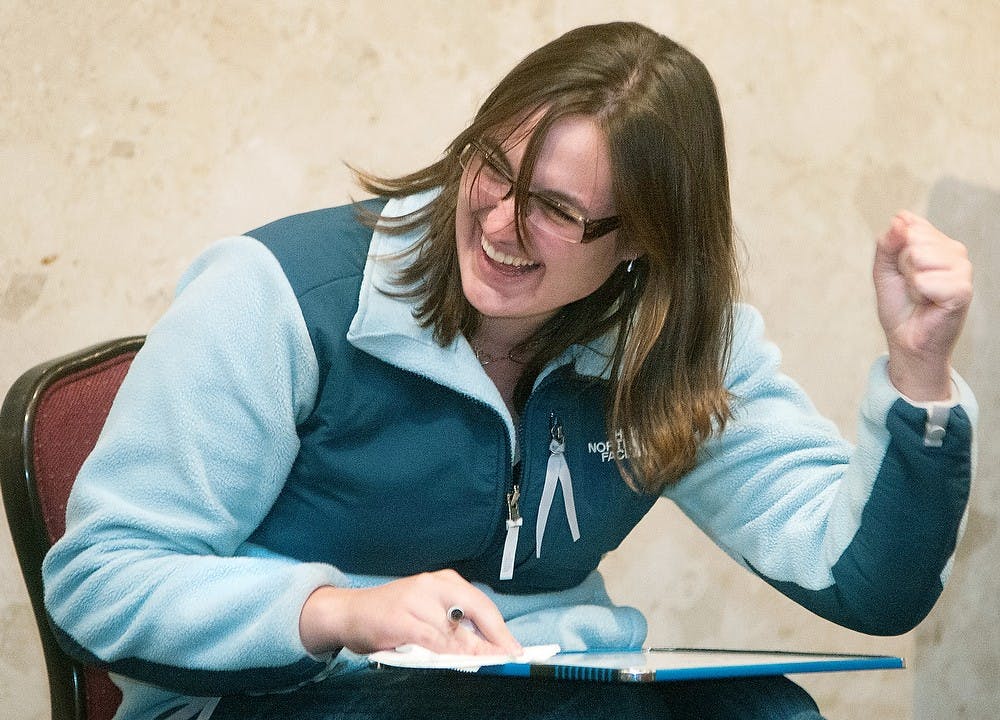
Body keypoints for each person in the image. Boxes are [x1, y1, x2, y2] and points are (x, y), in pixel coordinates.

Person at [41, 21, 975, 720]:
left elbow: (870, 588)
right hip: (289, 692)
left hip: (549, 687)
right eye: (493, 167)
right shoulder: (277, 294)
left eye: (558, 212)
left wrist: (919, 378)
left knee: (766, 713)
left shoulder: (679, 343)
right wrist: (339, 612)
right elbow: (100, 582)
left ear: (643, 239)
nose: (497, 225)